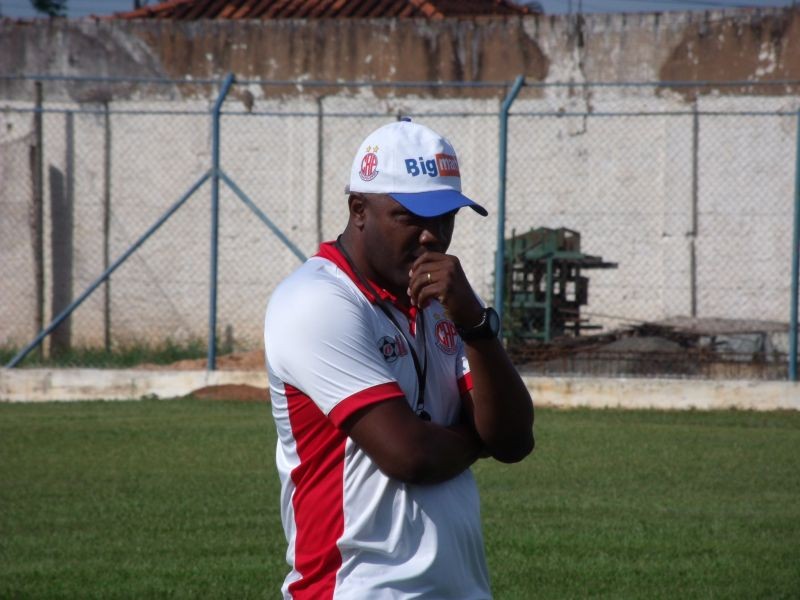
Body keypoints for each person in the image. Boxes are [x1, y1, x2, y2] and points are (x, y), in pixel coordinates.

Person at [264, 119, 534, 599]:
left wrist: (475, 322)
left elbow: (513, 440)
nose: (433, 236)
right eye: (412, 217)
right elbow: (410, 455)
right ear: (359, 209)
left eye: (446, 217)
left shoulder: (446, 302)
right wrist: (476, 439)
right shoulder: (316, 300)